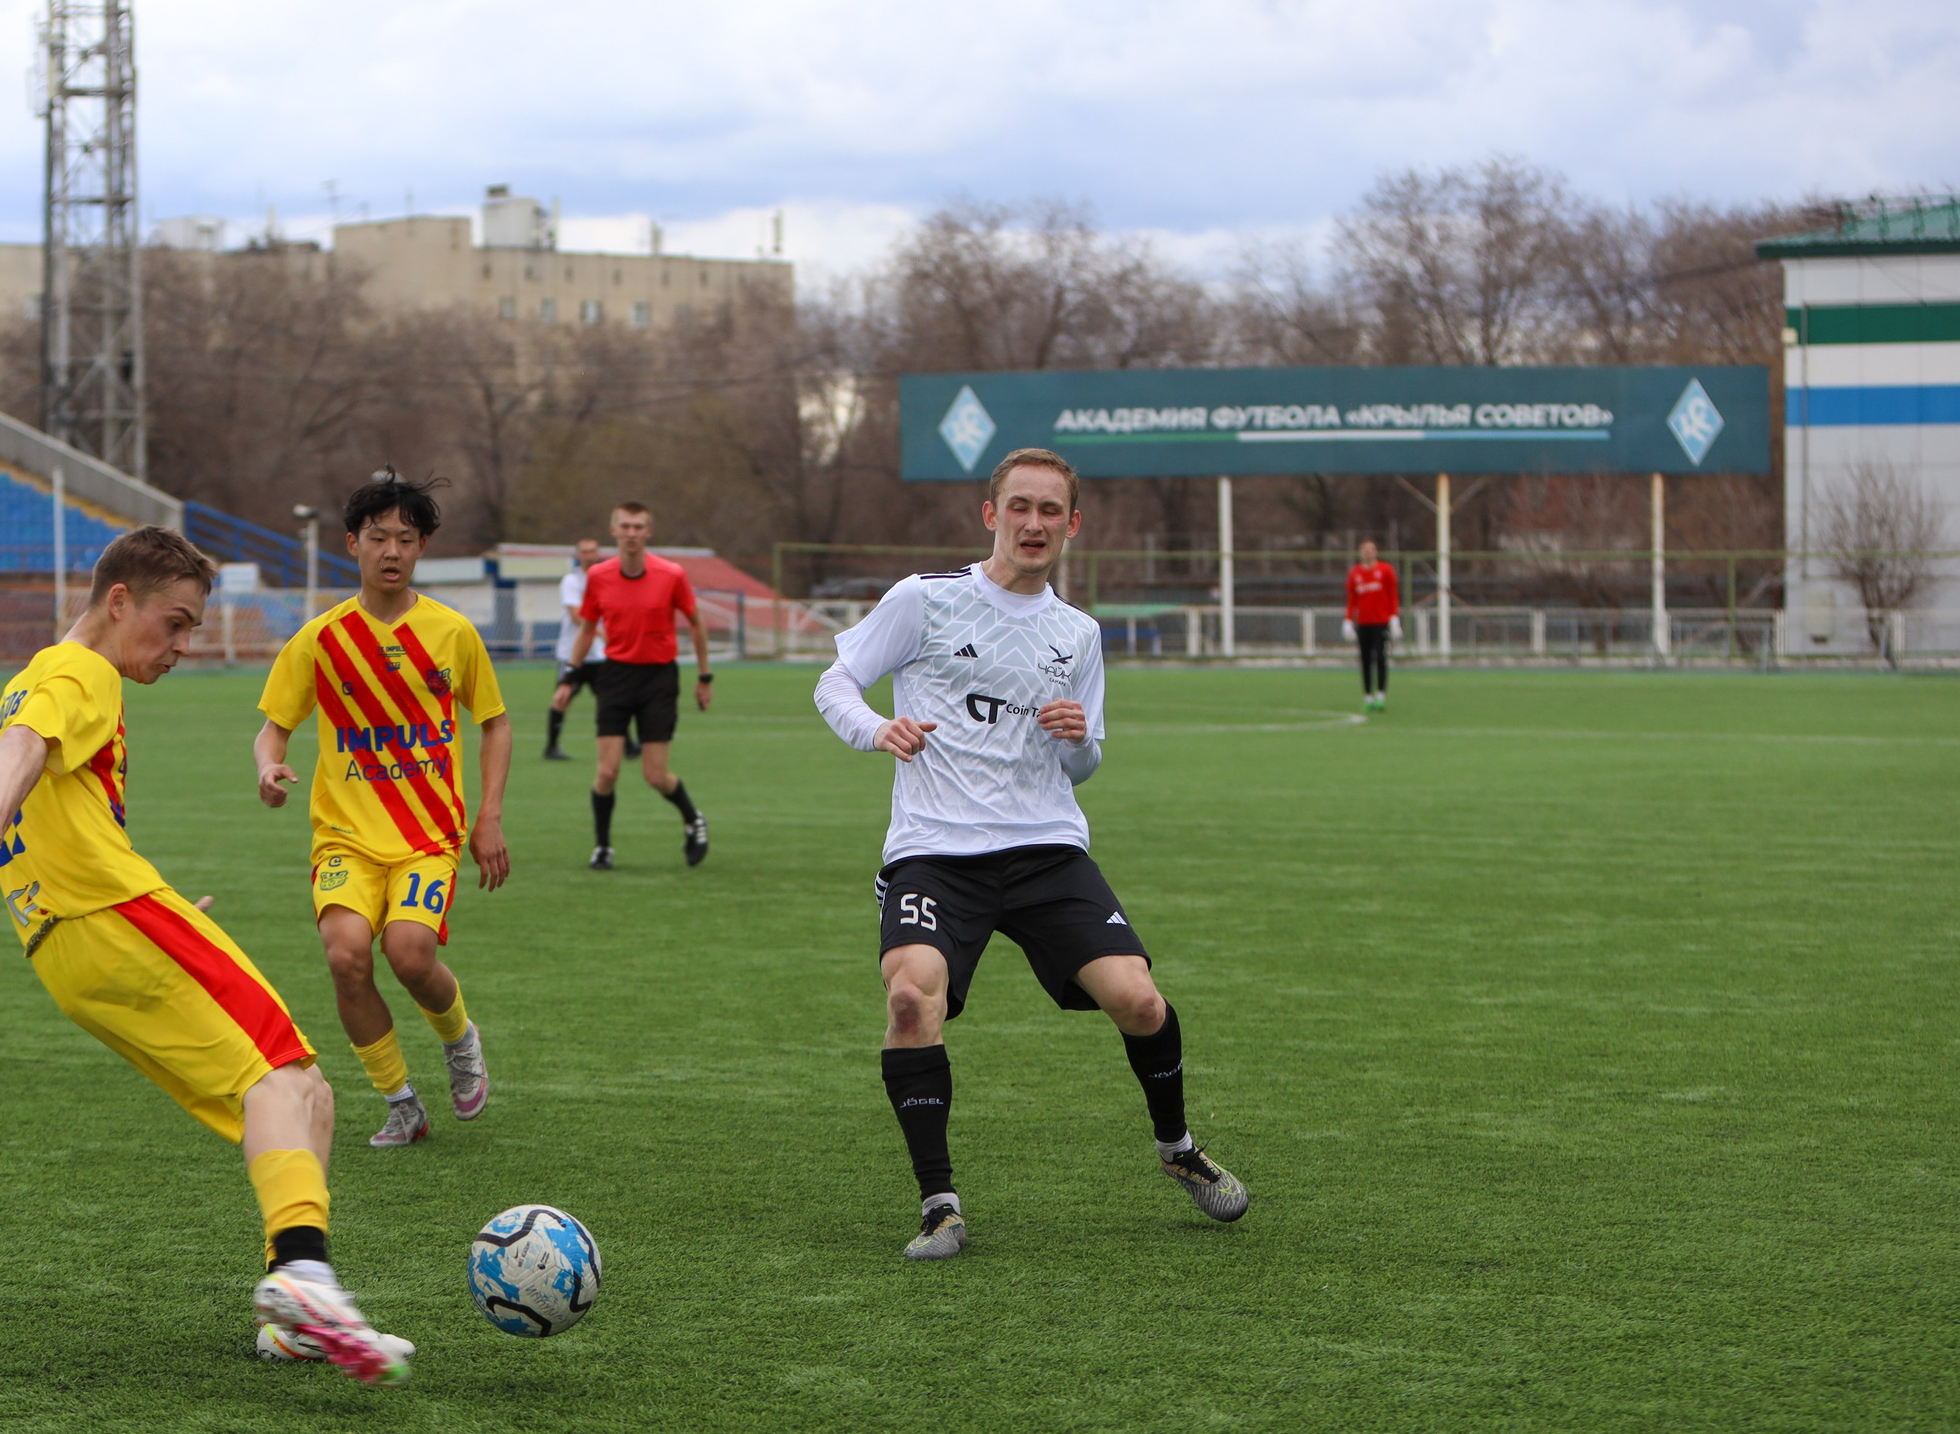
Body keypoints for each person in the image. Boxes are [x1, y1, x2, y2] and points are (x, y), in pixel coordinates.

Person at [0, 526, 408, 1386]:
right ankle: (303, 1277)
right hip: (111, 917)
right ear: (119, 602)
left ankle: (294, 1314)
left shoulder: (40, 673)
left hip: (71, 943)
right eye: (174, 623)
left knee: (310, 1094)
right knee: (278, 1074)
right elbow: (26, 743)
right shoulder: (80, 670)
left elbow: (51, 785)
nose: (184, 644)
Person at [812, 448, 1249, 1260]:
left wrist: (1080, 739)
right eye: (1019, 506)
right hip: (935, 851)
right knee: (909, 998)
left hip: (1046, 849)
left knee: (1140, 1000)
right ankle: (940, 1204)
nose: (1034, 522)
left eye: (1051, 510)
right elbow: (835, 681)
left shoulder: (1076, 633)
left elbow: (1083, 764)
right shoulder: (925, 599)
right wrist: (877, 728)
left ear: (1072, 524)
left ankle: (1178, 1148)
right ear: (992, 514)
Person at [256, 472, 512, 1152]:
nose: (391, 550)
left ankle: (459, 1039)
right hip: (344, 836)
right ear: (353, 544)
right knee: (346, 957)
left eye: (405, 538)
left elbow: (494, 722)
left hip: (428, 835)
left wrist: (488, 817)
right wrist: (267, 766)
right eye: (377, 537)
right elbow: (274, 728)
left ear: (422, 546)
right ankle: (400, 1101)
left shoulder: (452, 633)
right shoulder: (321, 638)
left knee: (409, 953)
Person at [549, 502, 710, 869]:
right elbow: (587, 629)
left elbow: (696, 623)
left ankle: (693, 819)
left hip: (659, 678)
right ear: (614, 531)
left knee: (655, 775)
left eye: (638, 527)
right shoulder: (599, 576)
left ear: (648, 532)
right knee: (607, 772)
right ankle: (603, 847)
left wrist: (704, 677)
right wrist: (568, 677)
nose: (632, 533)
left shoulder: (671, 574)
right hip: (616, 676)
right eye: (625, 526)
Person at [544, 537, 602, 761]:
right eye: (584, 551)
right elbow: (577, 616)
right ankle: (551, 746)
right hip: (573, 653)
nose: (589, 555)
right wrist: (604, 635)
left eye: (592, 551)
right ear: (577, 555)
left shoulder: (605, 579)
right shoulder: (571, 581)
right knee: (563, 697)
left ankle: (628, 745)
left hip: (599, 655)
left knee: (613, 698)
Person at [1346, 538, 1398, 711]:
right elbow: (1352, 599)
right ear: (1360, 552)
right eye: (1364, 549)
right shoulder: (1355, 573)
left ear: (1376, 552)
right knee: (1365, 660)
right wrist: (1348, 619)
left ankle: (1381, 695)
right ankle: (1368, 697)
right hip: (1363, 623)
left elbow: (1393, 595)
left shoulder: (1386, 570)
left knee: (1381, 658)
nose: (1367, 552)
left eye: (1371, 549)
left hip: (1381, 622)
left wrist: (1394, 617)